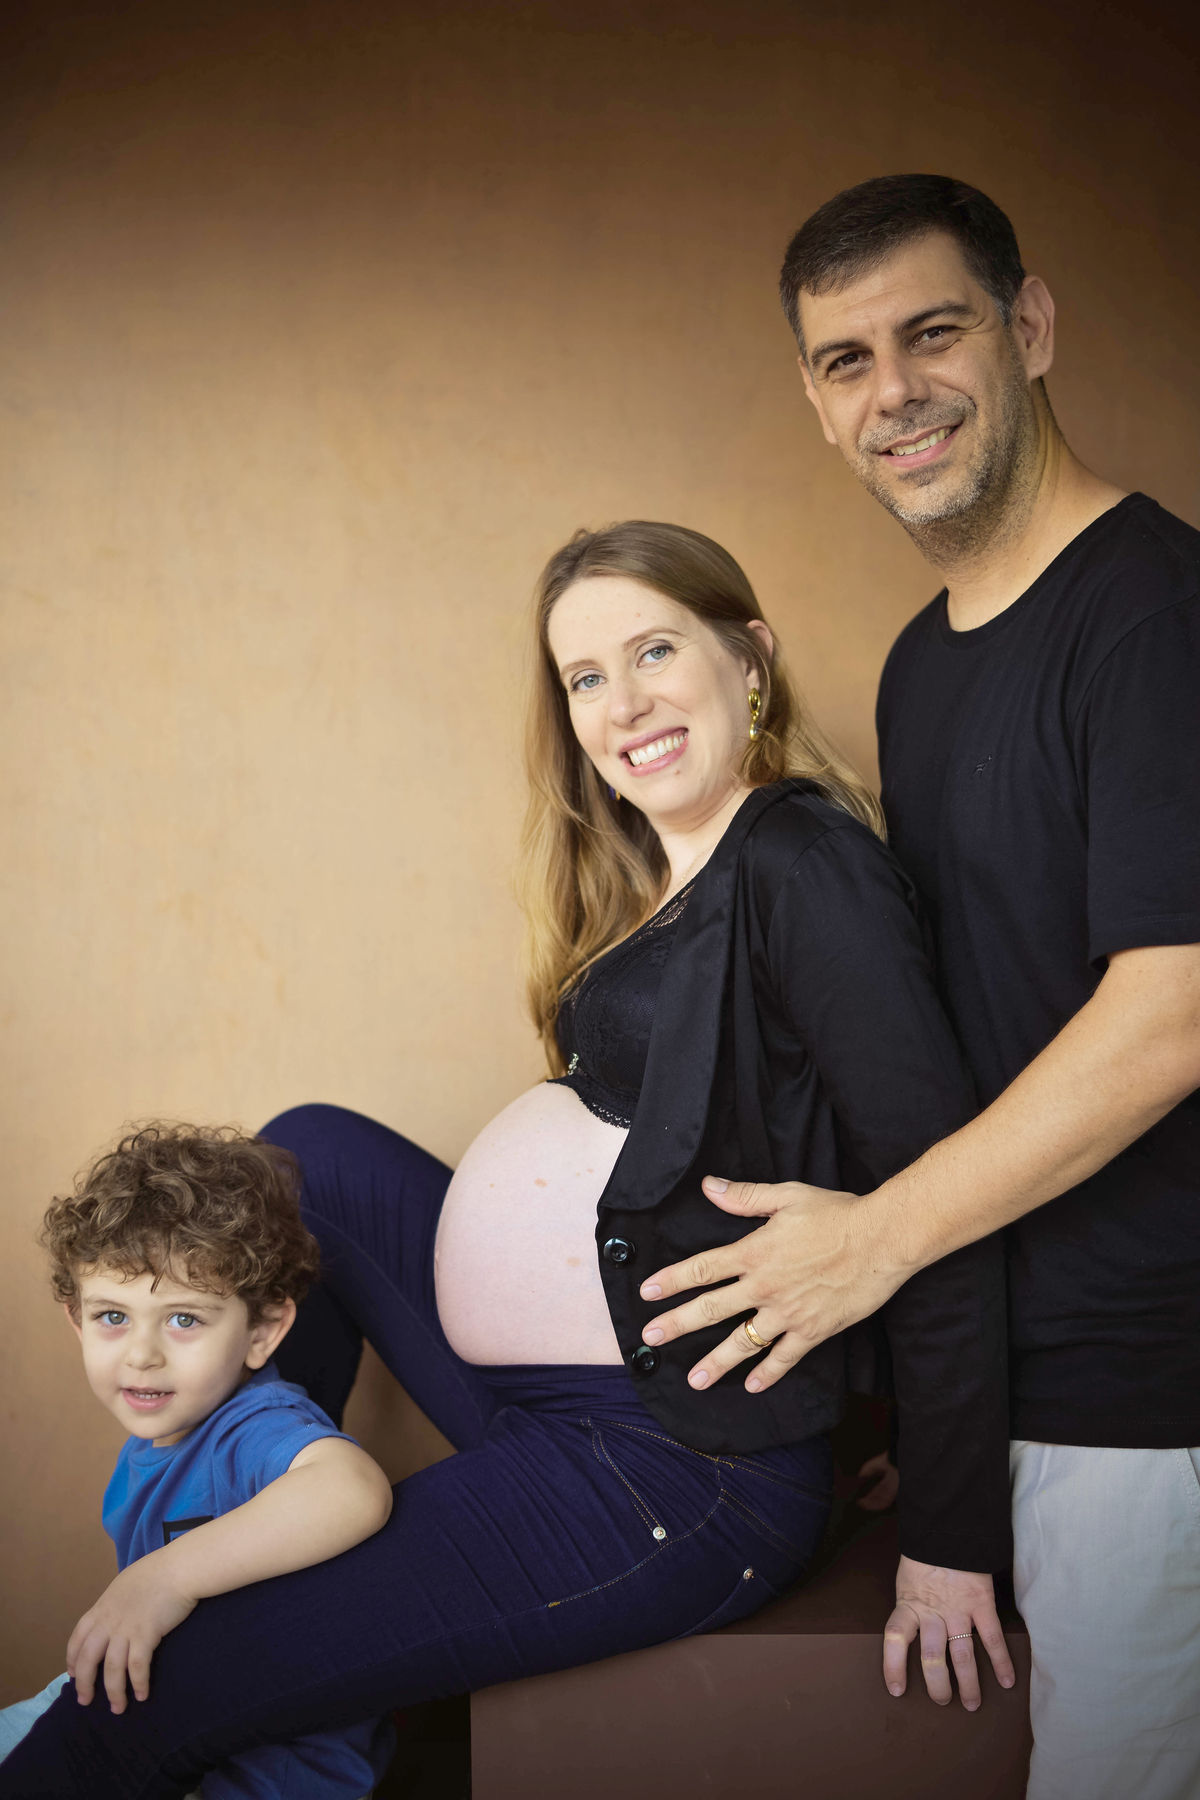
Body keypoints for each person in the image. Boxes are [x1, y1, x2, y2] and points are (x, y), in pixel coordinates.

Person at [2, 519, 1013, 1797]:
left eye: (654, 650)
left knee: (159, 1691)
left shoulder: (802, 861)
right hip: (561, 1401)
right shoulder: (660, 878)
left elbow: (941, 1187)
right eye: (586, 677)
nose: (623, 702)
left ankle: (209, 1634)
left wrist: (951, 1526)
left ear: (749, 657)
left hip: (673, 1466)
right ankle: (252, 1490)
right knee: (309, 1155)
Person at [635, 176, 1200, 1799]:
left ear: (1029, 328)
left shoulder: (1157, 616)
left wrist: (873, 1250)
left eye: (933, 332)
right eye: (844, 360)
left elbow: (1170, 1016)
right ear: (816, 404)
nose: (895, 392)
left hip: (1148, 1405)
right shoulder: (921, 657)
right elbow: (954, 1044)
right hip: (1016, 1377)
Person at [0, 1123, 396, 1797]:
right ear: (76, 1320)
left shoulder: (254, 1428)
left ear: (263, 1332)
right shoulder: (148, 1454)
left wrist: (162, 1580)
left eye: (184, 1319)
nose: (142, 1354)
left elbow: (352, 1489)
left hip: (276, 1774)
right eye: (112, 1317)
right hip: (189, 1747)